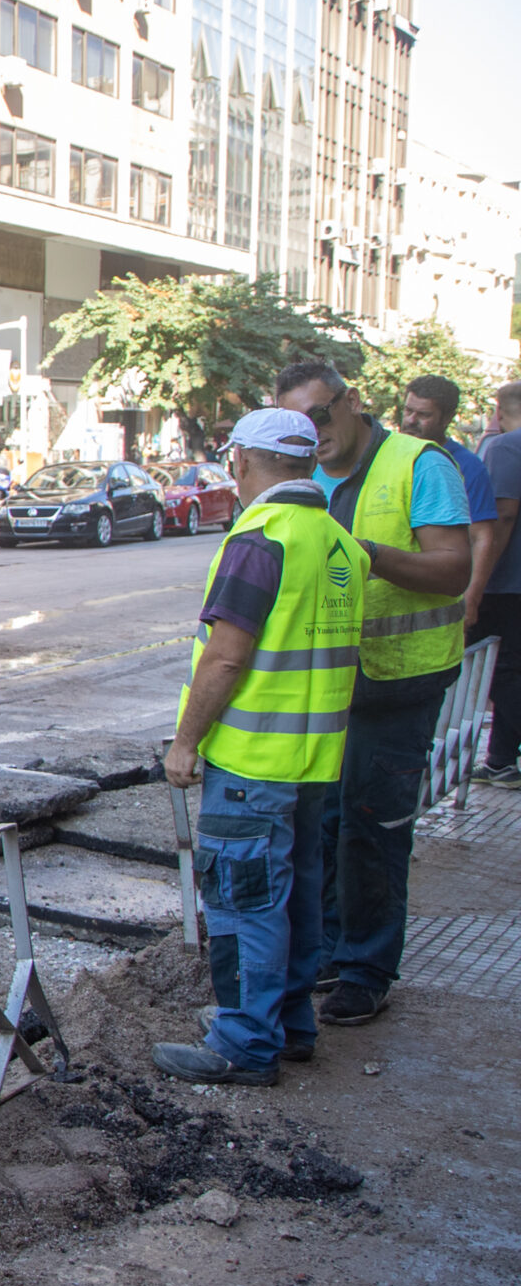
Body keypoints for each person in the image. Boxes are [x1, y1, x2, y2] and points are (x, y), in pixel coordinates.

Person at [151, 409, 367, 1086]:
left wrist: (187, 741)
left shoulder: (261, 538)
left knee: (246, 903)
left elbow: (226, 657)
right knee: (297, 895)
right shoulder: (337, 541)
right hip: (311, 762)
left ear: (242, 461)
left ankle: (244, 1041)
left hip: (251, 762)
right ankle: (290, 1025)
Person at [273, 361, 473, 1028]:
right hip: (331, 687)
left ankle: (367, 968)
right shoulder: (305, 477)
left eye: (321, 416)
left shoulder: (420, 464)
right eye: (299, 424)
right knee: (325, 823)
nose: (314, 433)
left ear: (353, 403)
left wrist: (368, 554)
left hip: (400, 683)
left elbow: (453, 570)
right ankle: (333, 947)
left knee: (373, 826)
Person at [397, 375, 500, 627]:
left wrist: (471, 600)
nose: (411, 420)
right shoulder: (384, 453)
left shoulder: (466, 467)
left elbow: (481, 537)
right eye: (408, 410)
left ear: (447, 419)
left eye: (423, 415)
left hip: (438, 600)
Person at [473, 380, 521, 788]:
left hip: (507, 583)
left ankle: (501, 758)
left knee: (499, 669)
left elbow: (502, 517)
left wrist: (480, 577)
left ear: (499, 410)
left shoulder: (507, 447)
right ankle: (501, 759)